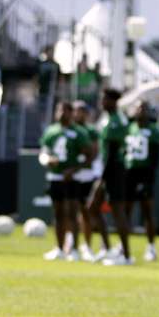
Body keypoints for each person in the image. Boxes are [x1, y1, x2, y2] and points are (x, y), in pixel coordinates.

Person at [87, 89, 132, 264]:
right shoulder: (105, 119)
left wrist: (103, 178)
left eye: (104, 99)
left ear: (113, 101)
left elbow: (113, 152)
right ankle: (108, 249)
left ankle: (125, 255)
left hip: (115, 169)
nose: (101, 102)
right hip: (106, 168)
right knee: (93, 208)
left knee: (117, 211)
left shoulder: (117, 120)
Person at [40, 101, 88, 261]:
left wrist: (73, 170)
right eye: (58, 110)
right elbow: (44, 152)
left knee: (72, 214)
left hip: (72, 178)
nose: (61, 113)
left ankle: (73, 249)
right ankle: (59, 248)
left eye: (64, 110)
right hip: (55, 176)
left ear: (70, 113)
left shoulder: (79, 132)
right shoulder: (51, 131)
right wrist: (47, 160)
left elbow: (88, 157)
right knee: (58, 214)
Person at [124, 100, 159, 264]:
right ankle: (123, 246)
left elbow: (155, 157)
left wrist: (148, 179)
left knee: (147, 211)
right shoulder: (129, 128)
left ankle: (151, 247)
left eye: (144, 108)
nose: (141, 111)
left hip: (145, 173)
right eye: (138, 108)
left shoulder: (154, 130)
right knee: (125, 211)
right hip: (129, 172)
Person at [72, 101, 103, 262]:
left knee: (86, 212)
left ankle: (87, 246)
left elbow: (94, 153)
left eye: (82, 111)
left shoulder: (91, 131)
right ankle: (69, 245)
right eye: (76, 111)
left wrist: (79, 164)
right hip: (70, 176)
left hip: (87, 175)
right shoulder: (68, 130)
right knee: (68, 211)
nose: (79, 114)